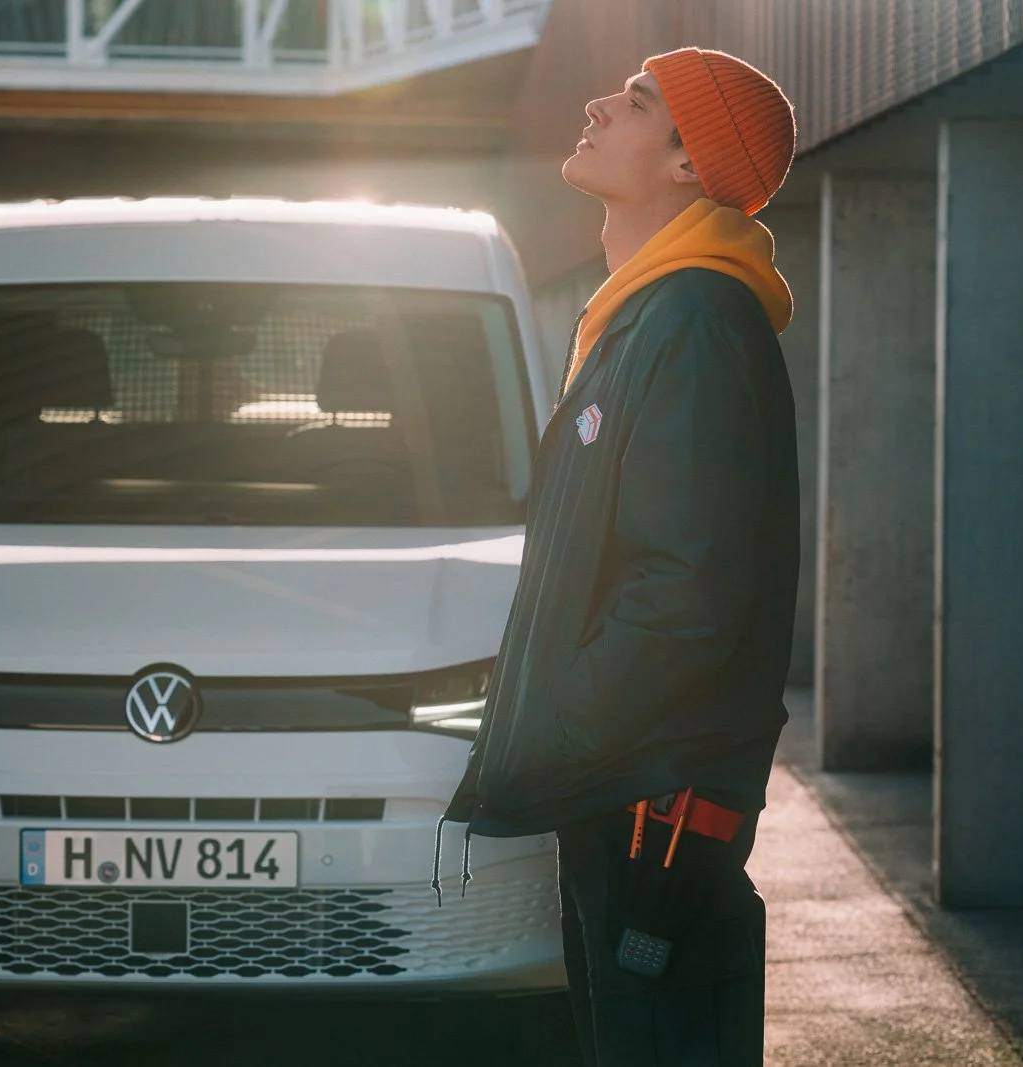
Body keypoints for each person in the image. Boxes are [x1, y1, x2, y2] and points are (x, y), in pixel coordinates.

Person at [439, 48, 801, 1066]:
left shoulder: (690, 321)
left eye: (637, 103)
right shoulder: (643, 315)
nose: (599, 103)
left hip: (653, 787)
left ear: (690, 165)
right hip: (627, 773)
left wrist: (562, 718)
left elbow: (688, 587)